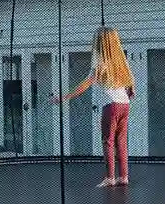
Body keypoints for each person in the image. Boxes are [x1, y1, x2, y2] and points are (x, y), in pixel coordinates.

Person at [53, 27, 135, 187]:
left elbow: (85, 84)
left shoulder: (101, 63)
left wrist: (65, 97)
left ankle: (110, 177)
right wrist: (131, 91)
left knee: (108, 141)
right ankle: (124, 176)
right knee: (121, 141)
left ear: (100, 43)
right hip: (125, 105)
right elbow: (131, 82)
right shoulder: (120, 61)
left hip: (111, 106)